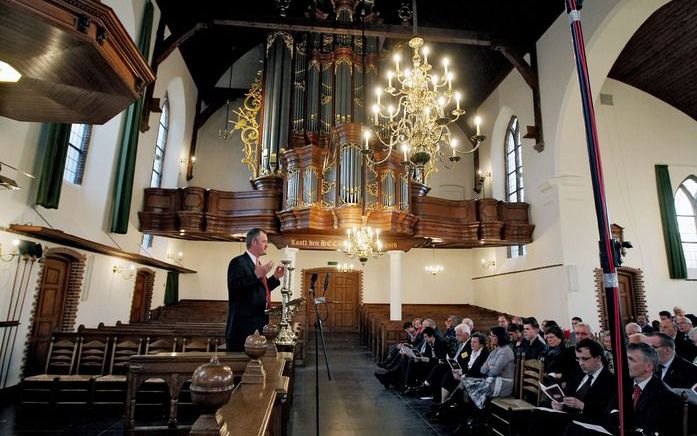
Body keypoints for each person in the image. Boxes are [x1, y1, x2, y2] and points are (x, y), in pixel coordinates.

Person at [526, 339, 615, 436]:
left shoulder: (609, 380)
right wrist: (558, 403)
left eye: (584, 359)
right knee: (538, 413)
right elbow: (566, 394)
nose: (580, 363)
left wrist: (582, 405)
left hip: (587, 420)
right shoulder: (577, 373)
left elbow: (604, 412)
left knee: (567, 427)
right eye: (578, 359)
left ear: (598, 358)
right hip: (568, 413)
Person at [225, 228, 284, 352]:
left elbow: (260, 289)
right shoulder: (238, 262)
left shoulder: (257, 264)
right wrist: (256, 275)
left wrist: (274, 278)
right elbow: (235, 288)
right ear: (254, 242)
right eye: (264, 241)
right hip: (243, 328)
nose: (267, 245)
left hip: (258, 323)